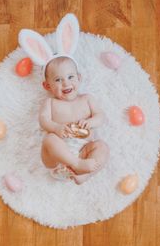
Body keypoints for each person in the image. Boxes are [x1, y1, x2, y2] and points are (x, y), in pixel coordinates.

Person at [39, 56, 109, 184]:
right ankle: (75, 163)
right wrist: (55, 128)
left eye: (70, 77)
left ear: (79, 78)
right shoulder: (50, 102)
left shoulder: (87, 99)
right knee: (49, 139)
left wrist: (90, 122)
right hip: (57, 157)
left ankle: (85, 176)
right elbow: (43, 120)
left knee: (102, 147)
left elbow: (101, 116)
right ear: (47, 86)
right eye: (58, 80)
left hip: (83, 152)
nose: (66, 83)